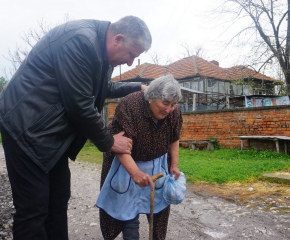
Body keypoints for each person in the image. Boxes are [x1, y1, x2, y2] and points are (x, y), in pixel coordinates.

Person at [0, 16, 152, 239]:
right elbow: (79, 105)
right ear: (118, 39)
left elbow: (102, 87)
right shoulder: (80, 41)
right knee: (33, 207)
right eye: (131, 55)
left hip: (50, 134)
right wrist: (110, 142)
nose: (130, 62)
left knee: (59, 198)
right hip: (26, 128)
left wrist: (138, 87)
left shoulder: (102, 51)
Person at [96, 75, 183, 240]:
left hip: (157, 163)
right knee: (128, 207)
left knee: (159, 207)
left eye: (173, 104)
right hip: (126, 163)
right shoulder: (130, 105)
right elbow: (121, 146)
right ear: (150, 97)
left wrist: (174, 165)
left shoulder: (174, 112)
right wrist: (135, 173)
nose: (169, 109)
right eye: (165, 103)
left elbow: (174, 138)